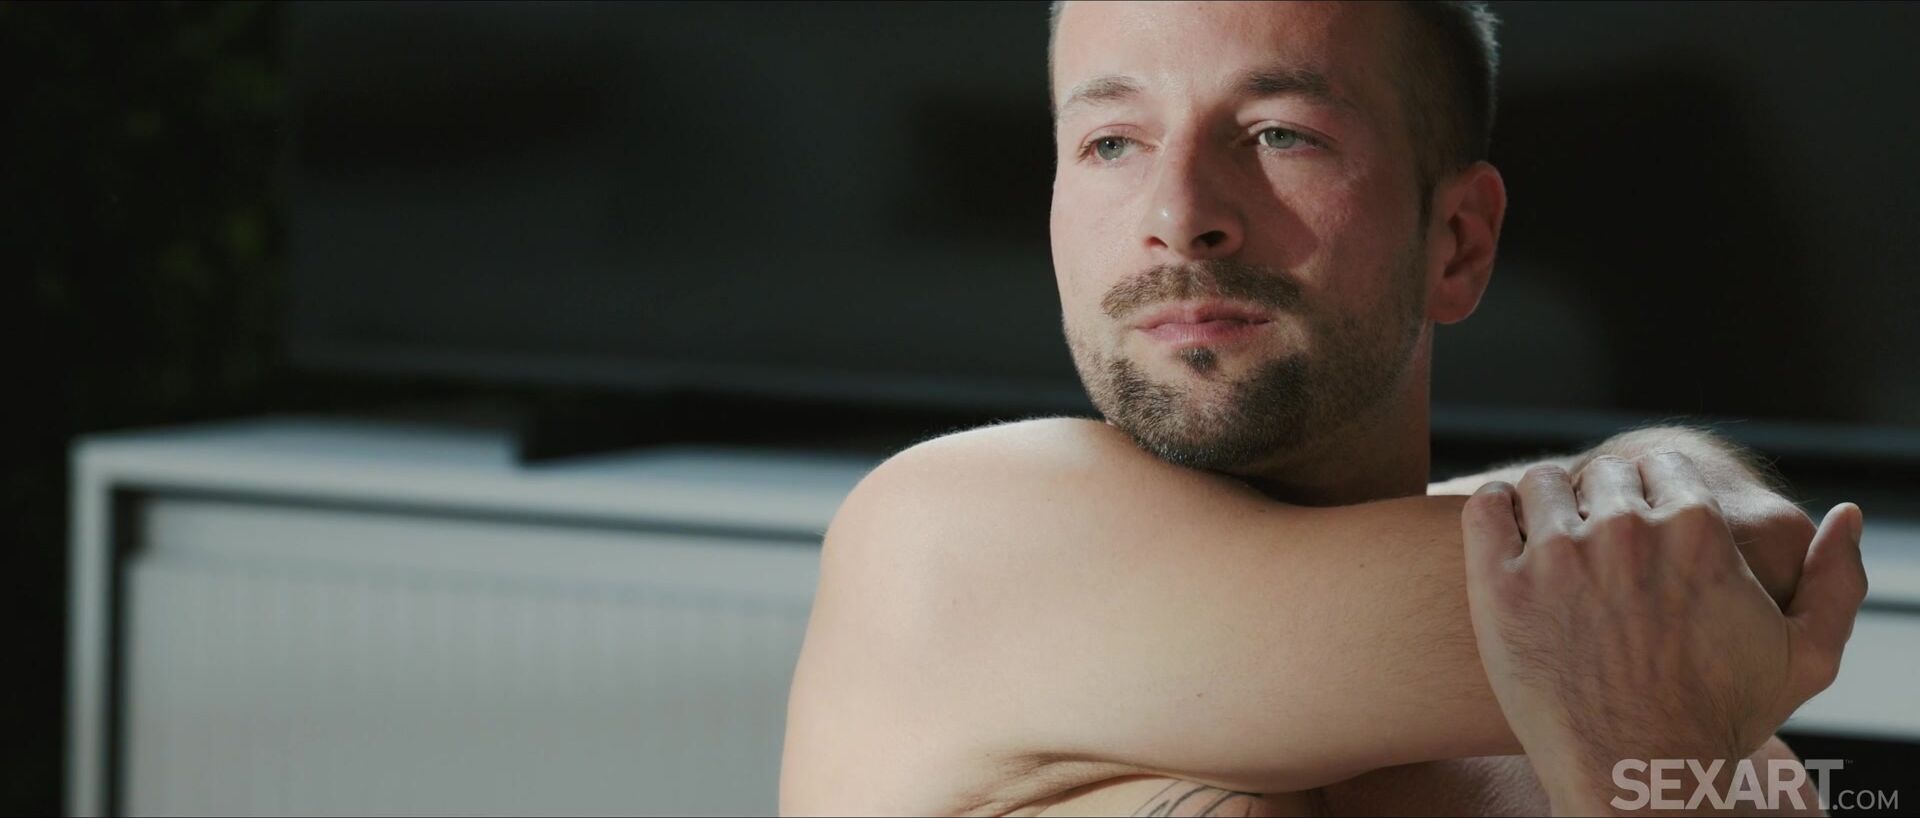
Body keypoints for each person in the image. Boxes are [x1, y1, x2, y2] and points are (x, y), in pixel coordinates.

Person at [779, 2, 1868, 815]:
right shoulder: (956, 536)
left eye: (1280, 133)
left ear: (1458, 243)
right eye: (1112, 142)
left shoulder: (1706, 709)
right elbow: (1743, 560)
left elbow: (1735, 561)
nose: (1179, 215)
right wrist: (1671, 481)